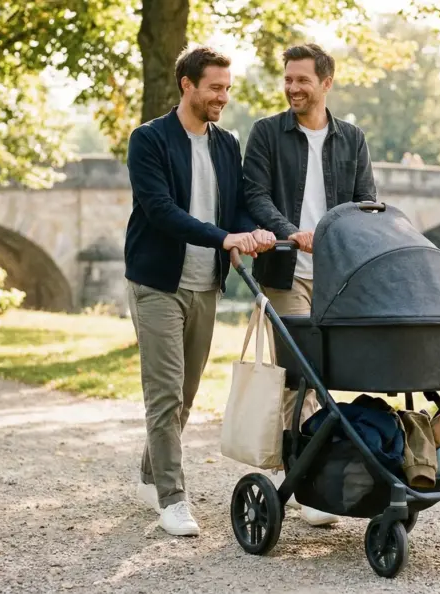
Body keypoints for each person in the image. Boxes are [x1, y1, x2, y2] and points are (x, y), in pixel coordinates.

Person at [124, 45, 276, 537]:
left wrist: (247, 232)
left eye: (227, 88)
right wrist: (223, 237)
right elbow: (160, 210)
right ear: (186, 85)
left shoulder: (226, 143)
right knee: (165, 394)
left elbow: (234, 207)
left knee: (185, 395)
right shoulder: (149, 140)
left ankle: (150, 474)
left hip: (205, 284)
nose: (223, 97)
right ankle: (172, 498)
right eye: (214, 87)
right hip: (157, 284)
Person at [241, 43, 378, 527]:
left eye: (302, 79)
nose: (293, 87)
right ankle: (304, 482)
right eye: (288, 79)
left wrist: (339, 240)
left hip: (336, 277)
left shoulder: (352, 139)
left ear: (326, 83)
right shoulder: (266, 133)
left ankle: (320, 471)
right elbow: (254, 194)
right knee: (298, 377)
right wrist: (290, 232)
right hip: (285, 271)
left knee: (328, 374)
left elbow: (366, 202)